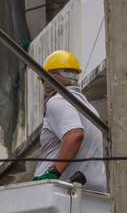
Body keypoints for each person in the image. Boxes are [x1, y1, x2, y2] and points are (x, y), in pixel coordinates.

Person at [31, 50, 108, 192]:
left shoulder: (57, 101)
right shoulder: (90, 109)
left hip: (60, 193)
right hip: (93, 194)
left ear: (50, 78)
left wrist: (53, 172)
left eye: (43, 81)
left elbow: (75, 134)